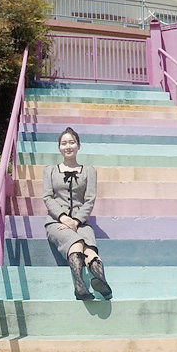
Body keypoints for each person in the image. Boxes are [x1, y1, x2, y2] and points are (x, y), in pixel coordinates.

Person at [42, 127, 112, 301]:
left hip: (81, 223)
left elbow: (90, 200)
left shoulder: (89, 171)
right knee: (77, 242)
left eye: (72, 142)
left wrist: (76, 220)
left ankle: (101, 280)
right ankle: (79, 284)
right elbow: (48, 197)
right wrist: (63, 218)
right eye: (64, 143)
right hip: (56, 222)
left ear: (78, 146)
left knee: (90, 248)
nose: (68, 146)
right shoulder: (50, 170)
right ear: (59, 147)